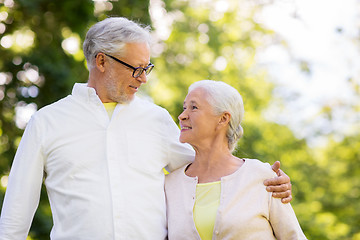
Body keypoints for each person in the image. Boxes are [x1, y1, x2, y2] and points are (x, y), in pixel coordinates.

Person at [0, 17, 291, 239]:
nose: (143, 78)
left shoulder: (156, 119)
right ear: (101, 61)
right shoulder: (48, 122)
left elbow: (210, 168)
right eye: (136, 68)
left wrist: (263, 178)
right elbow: (17, 210)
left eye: (147, 68)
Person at [165, 80, 307, 239]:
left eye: (194, 107)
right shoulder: (170, 184)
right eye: (184, 108)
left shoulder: (263, 177)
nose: (182, 115)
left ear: (223, 118)